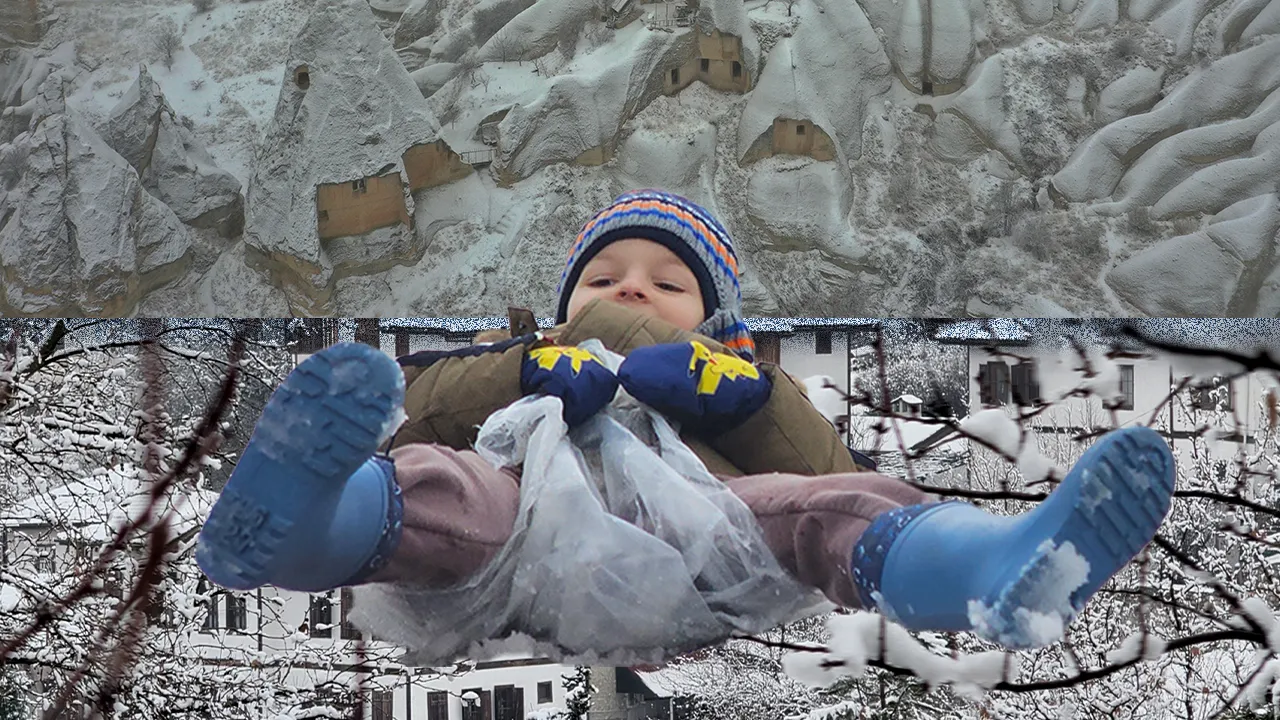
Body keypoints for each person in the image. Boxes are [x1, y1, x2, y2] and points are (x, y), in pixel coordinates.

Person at [196, 190, 1176, 650]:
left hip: (703, 532)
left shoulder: (736, 378)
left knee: (826, 506)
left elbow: (814, 465)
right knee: (442, 490)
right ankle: (296, 533)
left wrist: (745, 396)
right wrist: (529, 366)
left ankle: (988, 571)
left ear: (714, 319)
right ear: (560, 300)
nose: (632, 292)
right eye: (605, 278)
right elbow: (420, 411)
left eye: (668, 283)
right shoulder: (523, 362)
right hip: (526, 529)